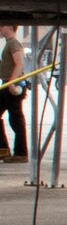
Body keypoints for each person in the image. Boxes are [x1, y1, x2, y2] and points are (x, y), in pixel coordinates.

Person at [0, 26, 27, 162]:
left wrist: (12, 82)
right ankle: (3, 150)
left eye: (1, 26)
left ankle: (21, 153)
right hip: (6, 84)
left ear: (10, 27)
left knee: (16, 119)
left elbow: (20, 64)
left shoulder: (14, 43)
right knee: (15, 118)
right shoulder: (8, 44)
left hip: (12, 85)